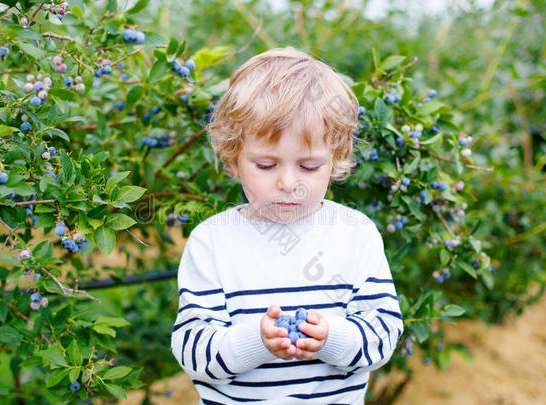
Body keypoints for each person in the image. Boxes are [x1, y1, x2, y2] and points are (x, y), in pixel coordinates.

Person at [171, 47, 403, 404]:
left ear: (336, 158)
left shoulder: (355, 235)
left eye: (309, 167)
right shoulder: (212, 242)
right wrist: (255, 343)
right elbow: (192, 349)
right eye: (266, 165)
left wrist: (332, 338)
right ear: (233, 157)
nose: (288, 183)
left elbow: (383, 335)